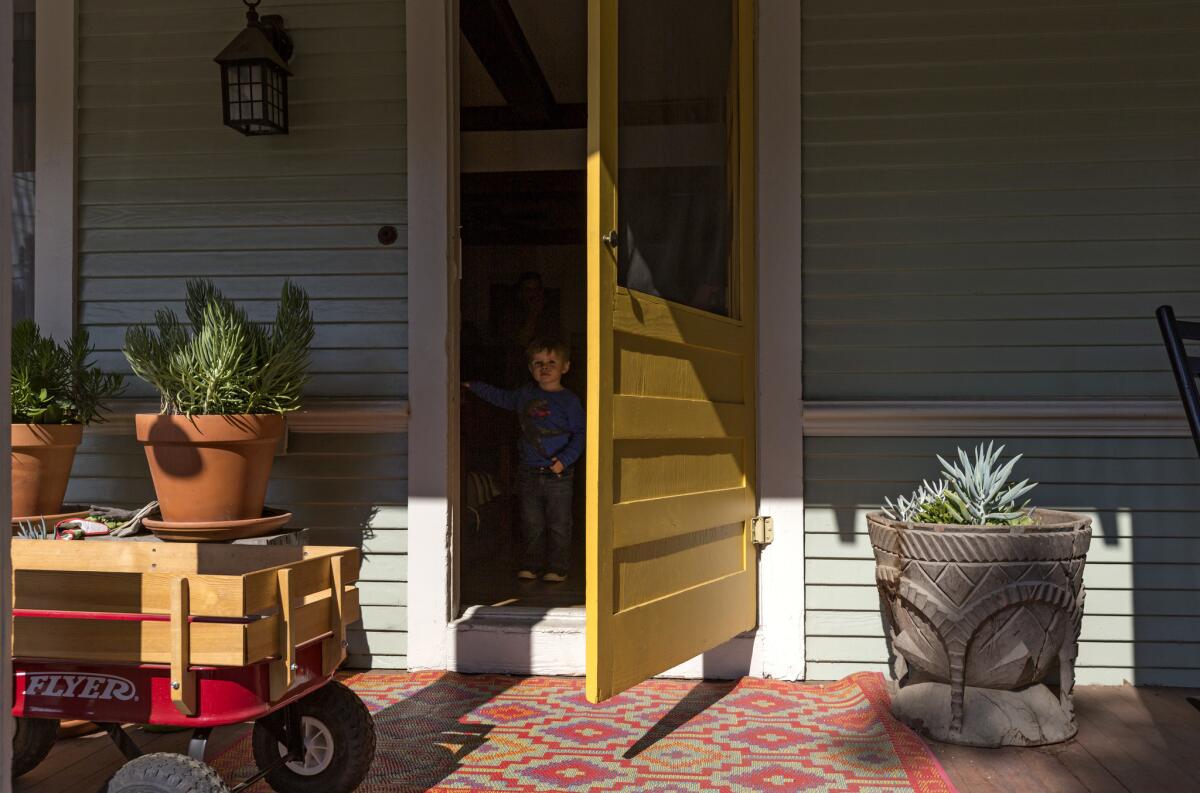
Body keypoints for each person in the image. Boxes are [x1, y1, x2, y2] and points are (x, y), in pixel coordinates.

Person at [463, 338, 584, 583]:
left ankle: (557, 567)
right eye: (538, 363)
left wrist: (565, 459)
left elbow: (582, 433)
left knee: (559, 523)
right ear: (531, 369)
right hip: (528, 471)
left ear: (565, 367)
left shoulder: (569, 401)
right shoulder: (525, 394)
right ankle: (531, 564)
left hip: (558, 473)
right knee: (531, 522)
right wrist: (472, 386)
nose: (545, 367)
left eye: (552, 362)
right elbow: (502, 398)